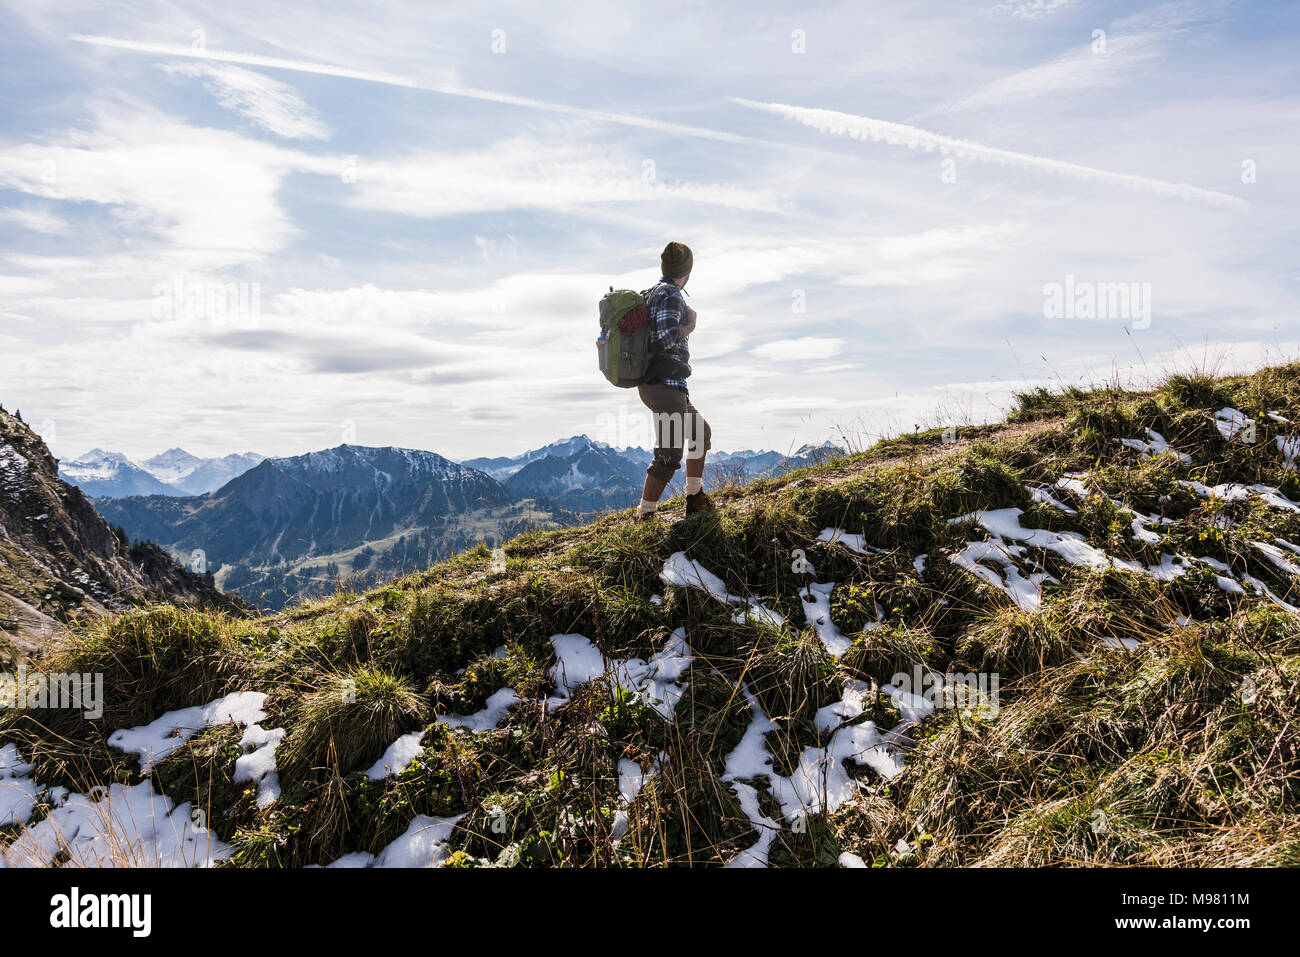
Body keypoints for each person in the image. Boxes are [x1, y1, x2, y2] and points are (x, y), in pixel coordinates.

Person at [636, 241, 713, 521]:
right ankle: (645, 517)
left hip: (664, 385)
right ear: (687, 271)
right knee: (668, 455)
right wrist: (690, 326)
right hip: (664, 384)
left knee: (700, 433)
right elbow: (664, 338)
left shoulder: (653, 293)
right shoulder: (670, 294)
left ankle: (694, 498)